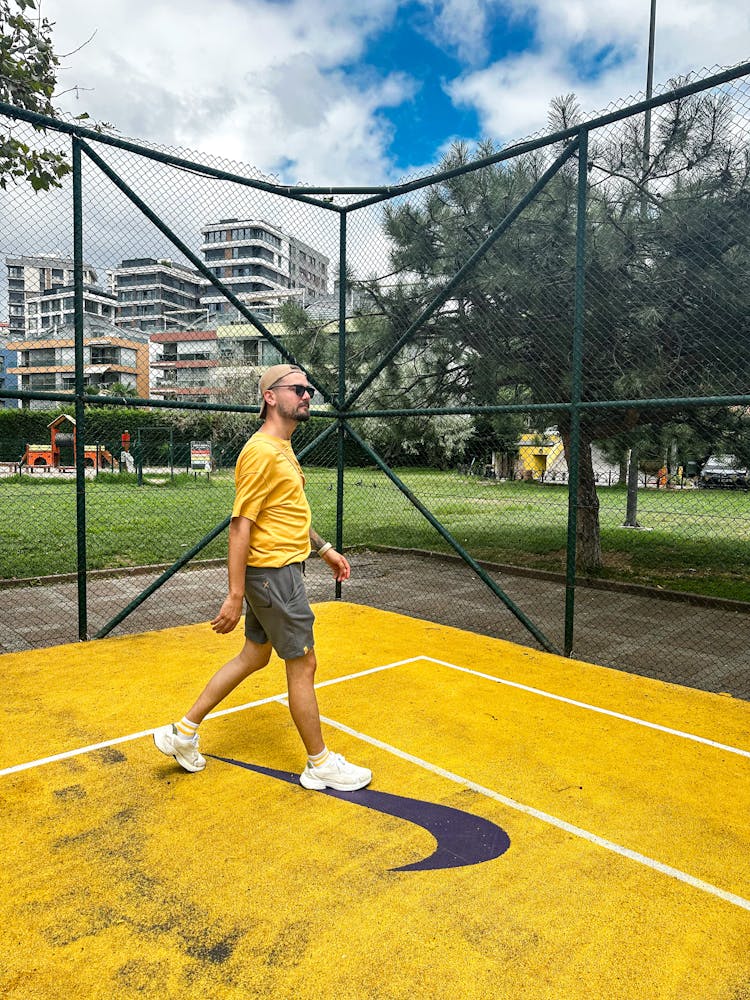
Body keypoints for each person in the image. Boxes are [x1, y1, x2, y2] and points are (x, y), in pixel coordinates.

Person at [154, 363, 372, 792]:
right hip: (274, 575)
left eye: (309, 389)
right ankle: (320, 764)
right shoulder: (261, 452)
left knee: (255, 656)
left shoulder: (281, 447)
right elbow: (241, 525)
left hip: (276, 571)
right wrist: (234, 595)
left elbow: (286, 512)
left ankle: (182, 732)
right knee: (304, 663)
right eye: (297, 388)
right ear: (270, 396)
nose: (307, 395)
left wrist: (324, 549)